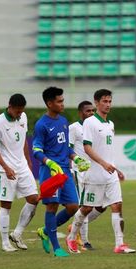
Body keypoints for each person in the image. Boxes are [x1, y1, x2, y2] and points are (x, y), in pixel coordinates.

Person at [66, 89, 136, 254]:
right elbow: (87, 148)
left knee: (117, 205)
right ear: (97, 103)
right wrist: (103, 164)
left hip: (110, 176)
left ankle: (119, 244)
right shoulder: (90, 123)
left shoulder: (110, 124)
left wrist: (115, 169)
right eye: (104, 101)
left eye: (110, 101)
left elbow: (108, 151)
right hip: (94, 175)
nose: (108, 104)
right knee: (86, 208)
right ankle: (72, 237)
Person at [33, 86, 90, 257]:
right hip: (50, 172)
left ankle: (44, 231)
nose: (62, 104)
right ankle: (57, 248)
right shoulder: (41, 125)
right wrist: (49, 163)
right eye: (59, 101)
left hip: (65, 170)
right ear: (49, 103)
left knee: (73, 207)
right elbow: (36, 150)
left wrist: (77, 158)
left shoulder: (63, 121)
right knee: (52, 206)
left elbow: (65, 148)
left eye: (62, 100)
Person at [0, 93, 38, 252]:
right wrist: (6, 167)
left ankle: (17, 234)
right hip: (6, 168)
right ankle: (5, 243)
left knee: (34, 199)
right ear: (9, 106)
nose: (19, 114)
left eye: (21, 111)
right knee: (6, 205)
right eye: (17, 111)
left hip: (22, 166)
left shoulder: (23, 117)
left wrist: (28, 160)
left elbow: (23, 140)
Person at [68, 100, 105, 250]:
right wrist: (74, 164)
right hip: (80, 172)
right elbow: (68, 149)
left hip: (95, 171)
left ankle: (75, 227)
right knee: (86, 205)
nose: (90, 113)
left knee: (102, 205)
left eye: (92, 111)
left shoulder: (96, 126)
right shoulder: (74, 128)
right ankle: (84, 241)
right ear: (80, 113)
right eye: (87, 111)